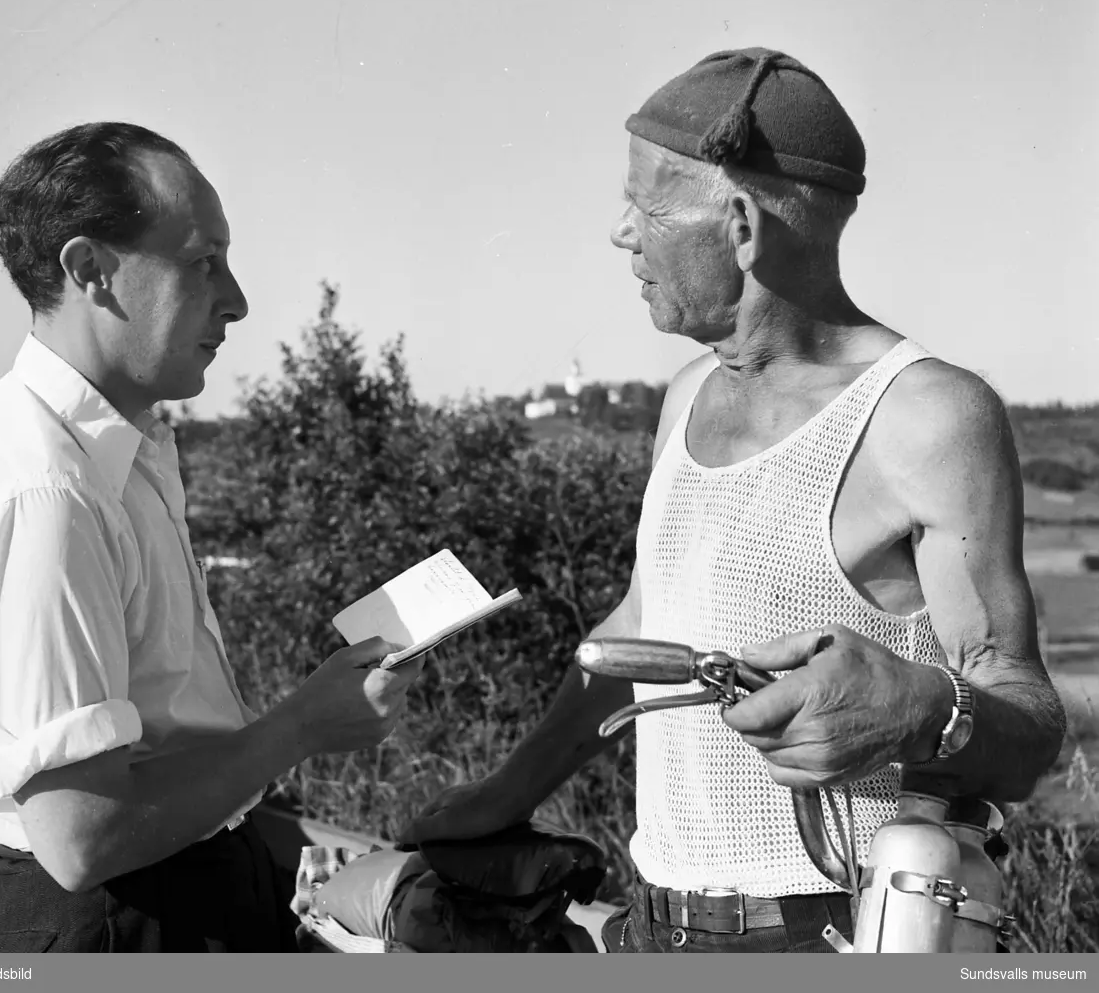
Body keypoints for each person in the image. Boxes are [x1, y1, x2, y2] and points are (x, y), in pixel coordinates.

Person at [401, 48, 1067, 953]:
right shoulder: (685, 396)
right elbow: (643, 631)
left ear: (742, 227)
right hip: (655, 924)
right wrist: (503, 797)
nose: (619, 232)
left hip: (835, 934)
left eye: (644, 205)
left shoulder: (925, 416)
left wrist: (919, 705)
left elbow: (1025, 728)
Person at [0, 123, 421, 952]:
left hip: (173, 902)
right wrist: (300, 727)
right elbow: (82, 838)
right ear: (89, 270)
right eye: (201, 261)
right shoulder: (43, 495)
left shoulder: (112, 455)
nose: (237, 299)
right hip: (112, 927)